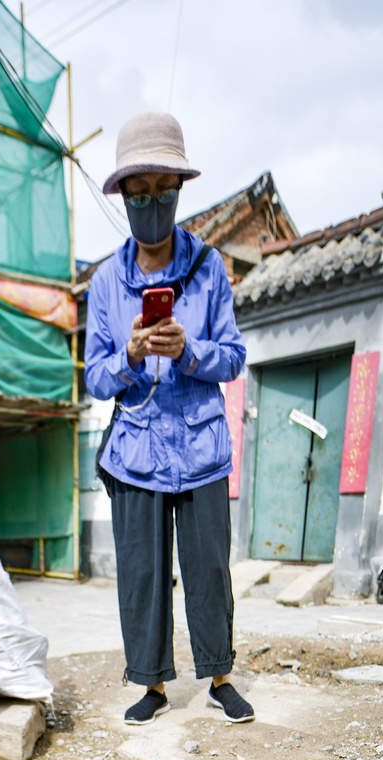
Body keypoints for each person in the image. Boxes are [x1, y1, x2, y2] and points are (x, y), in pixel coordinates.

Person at [85, 110, 254, 726]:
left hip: (202, 446)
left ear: (179, 193)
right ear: (125, 198)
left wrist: (191, 350)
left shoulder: (209, 269)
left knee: (208, 569)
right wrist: (129, 353)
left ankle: (219, 676)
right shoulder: (105, 283)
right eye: (140, 193)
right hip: (136, 451)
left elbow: (233, 358)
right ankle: (152, 685)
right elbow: (94, 376)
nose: (152, 203)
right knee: (142, 575)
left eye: (164, 191)